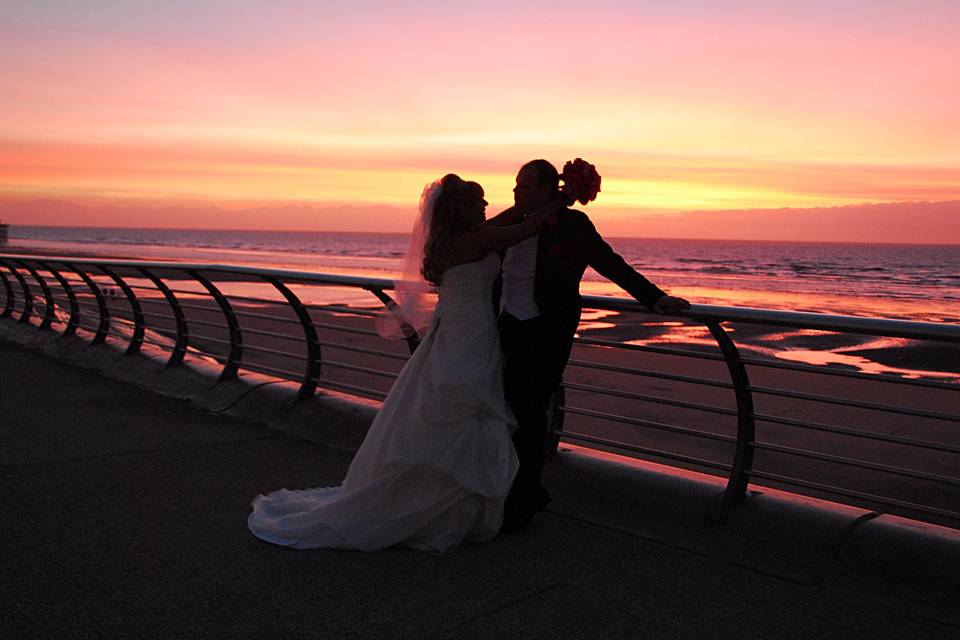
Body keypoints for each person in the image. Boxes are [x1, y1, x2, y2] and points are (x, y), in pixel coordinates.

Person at [248, 174, 562, 553]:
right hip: (471, 335)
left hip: (460, 332)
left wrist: (541, 198)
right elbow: (525, 227)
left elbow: (508, 219)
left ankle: (448, 502)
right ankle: (446, 508)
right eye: (478, 201)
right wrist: (564, 196)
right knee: (466, 406)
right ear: (461, 209)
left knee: (451, 407)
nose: (485, 205)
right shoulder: (477, 240)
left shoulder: (455, 240)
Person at [495, 159, 690, 531]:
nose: (516, 192)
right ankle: (505, 487)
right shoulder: (511, 223)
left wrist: (654, 297)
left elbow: (610, 264)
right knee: (506, 409)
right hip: (507, 329)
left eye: (523, 186)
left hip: (548, 331)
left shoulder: (573, 225)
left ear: (547, 190)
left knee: (531, 413)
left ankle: (524, 495)